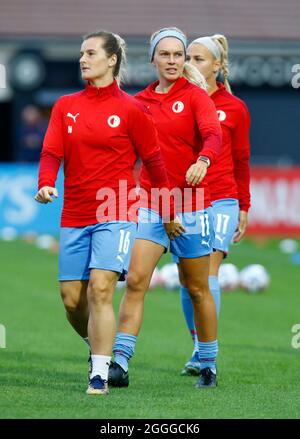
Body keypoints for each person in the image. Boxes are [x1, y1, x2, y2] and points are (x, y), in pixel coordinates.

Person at [34, 30, 182, 396]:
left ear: (112, 60)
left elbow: (154, 162)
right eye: (81, 53)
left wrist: (166, 210)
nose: (83, 59)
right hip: (74, 212)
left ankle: (100, 373)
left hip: (117, 210)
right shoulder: (65, 105)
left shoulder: (133, 109)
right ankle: (96, 347)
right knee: (72, 299)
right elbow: (52, 152)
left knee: (101, 289)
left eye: (90, 53)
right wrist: (45, 181)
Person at [108, 27, 222, 389]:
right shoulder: (138, 103)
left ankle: (208, 362)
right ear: (153, 58)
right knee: (137, 280)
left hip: (191, 205)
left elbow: (213, 135)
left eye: (178, 55)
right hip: (151, 203)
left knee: (196, 287)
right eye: (166, 54)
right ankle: (120, 362)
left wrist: (204, 159)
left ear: (184, 59)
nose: (172, 61)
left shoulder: (196, 97)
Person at [179, 34, 251, 376]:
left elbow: (242, 159)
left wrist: (244, 206)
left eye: (198, 58)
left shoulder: (235, 108)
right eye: (187, 57)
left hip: (222, 198)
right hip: (186, 200)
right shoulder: (177, 100)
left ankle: (205, 354)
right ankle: (198, 344)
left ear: (217, 66)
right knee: (187, 280)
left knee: (207, 273)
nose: (189, 64)